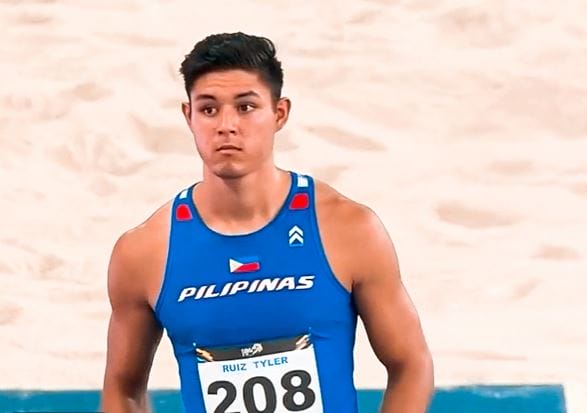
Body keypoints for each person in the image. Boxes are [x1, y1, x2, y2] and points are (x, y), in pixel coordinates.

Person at [101, 32, 434, 413]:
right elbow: (122, 391)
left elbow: (411, 363)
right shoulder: (144, 252)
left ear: (279, 113)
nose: (226, 125)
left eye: (245, 107)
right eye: (209, 109)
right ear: (188, 116)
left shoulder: (348, 229)